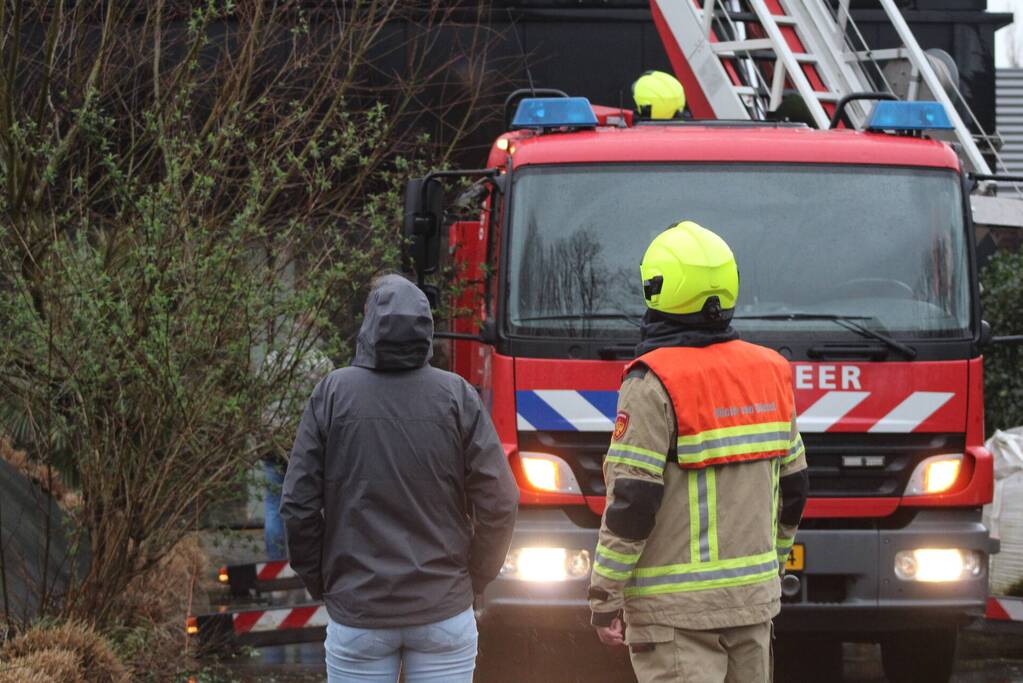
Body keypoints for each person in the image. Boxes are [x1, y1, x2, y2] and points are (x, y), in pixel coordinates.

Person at [588, 221, 808, 683]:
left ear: (658, 289)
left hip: (673, 617)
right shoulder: (770, 371)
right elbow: (794, 488)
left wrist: (605, 595)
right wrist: (774, 563)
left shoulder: (651, 382)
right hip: (753, 603)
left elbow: (632, 503)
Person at [280, 273, 519, 683]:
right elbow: (500, 500)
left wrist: (320, 580)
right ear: (425, 328)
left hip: (359, 611)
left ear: (368, 325)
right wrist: (476, 576)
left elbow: (297, 505)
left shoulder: (333, 393)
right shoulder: (457, 396)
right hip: (443, 609)